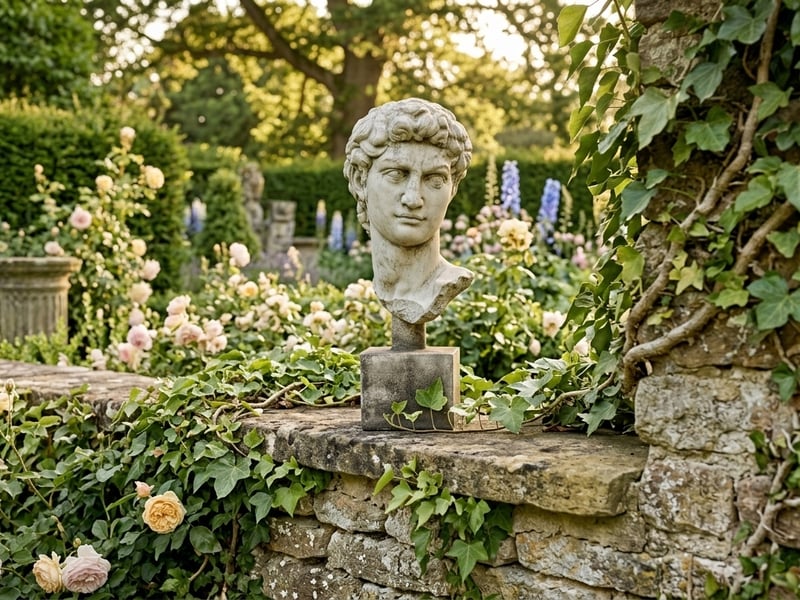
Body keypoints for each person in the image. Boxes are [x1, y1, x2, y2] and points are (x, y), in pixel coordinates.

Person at [343, 98, 474, 328]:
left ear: (453, 188)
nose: (413, 199)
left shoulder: (447, 282)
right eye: (396, 174)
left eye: (434, 179)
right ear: (359, 180)